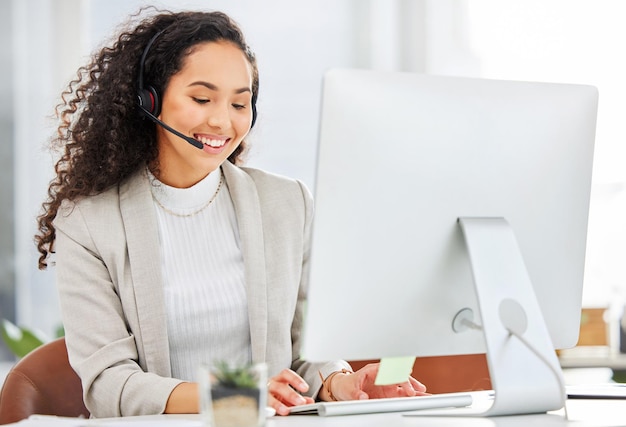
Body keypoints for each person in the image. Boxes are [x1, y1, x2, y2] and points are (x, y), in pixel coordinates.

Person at [34, 8, 428, 418]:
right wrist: (236, 395)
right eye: (202, 98)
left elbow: (301, 357)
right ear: (150, 100)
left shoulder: (286, 203)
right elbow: (109, 384)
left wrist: (341, 382)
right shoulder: (88, 223)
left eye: (240, 103)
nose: (223, 121)